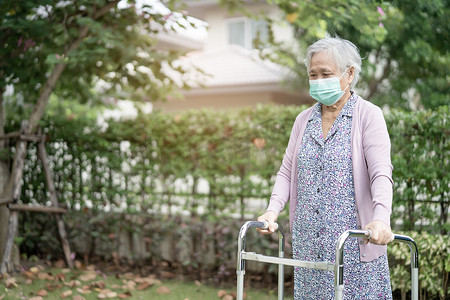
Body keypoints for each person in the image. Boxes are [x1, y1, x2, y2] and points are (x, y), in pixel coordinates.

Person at [257, 36, 394, 299]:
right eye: (313, 74)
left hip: (354, 246)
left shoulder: (368, 115)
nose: (318, 80)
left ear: (349, 73)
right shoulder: (303, 120)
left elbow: (381, 174)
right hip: (310, 247)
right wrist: (272, 211)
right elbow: (287, 172)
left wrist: (380, 219)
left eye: (326, 73)